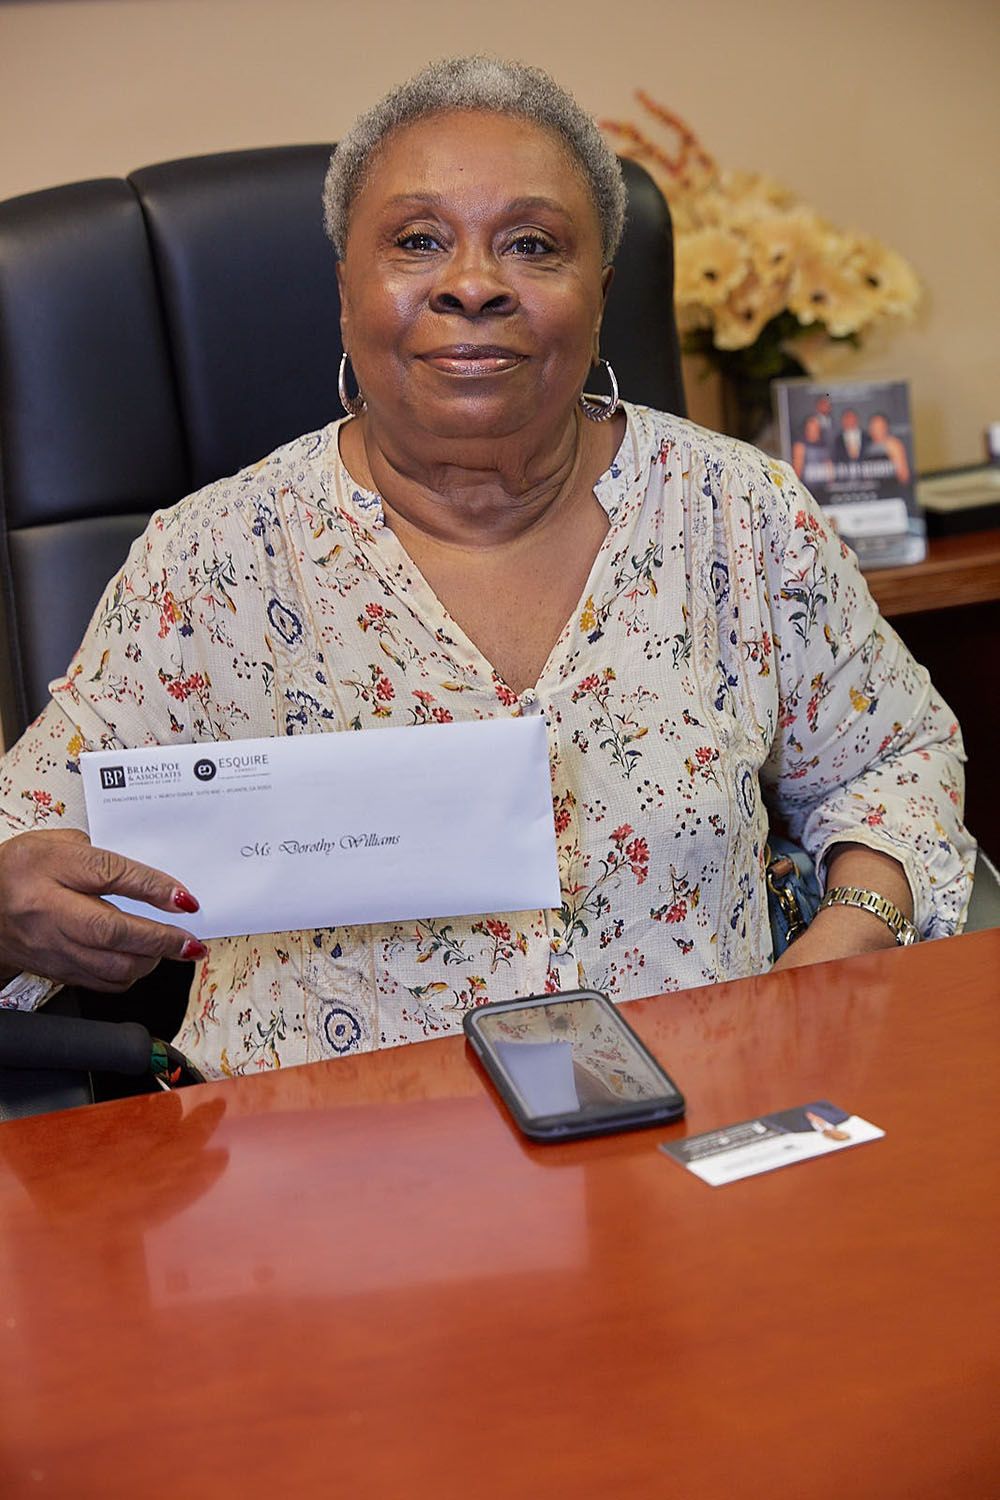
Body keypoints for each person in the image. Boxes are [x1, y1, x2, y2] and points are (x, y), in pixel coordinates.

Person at [0, 58, 975, 1078]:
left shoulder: (742, 516)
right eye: (418, 241)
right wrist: (18, 906)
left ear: (597, 295)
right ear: (346, 292)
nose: (472, 283)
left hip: (703, 1129)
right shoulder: (210, 562)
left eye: (532, 245)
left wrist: (848, 935)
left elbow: (891, 757)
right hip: (313, 1181)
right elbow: (26, 839)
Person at [866, 412, 911, 484]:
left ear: (886, 428)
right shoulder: (868, 446)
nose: (876, 431)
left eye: (879, 427)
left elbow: (904, 475)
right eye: (873, 427)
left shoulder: (893, 445)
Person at [791, 414, 834, 484]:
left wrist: (830, 483)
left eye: (816, 428)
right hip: (806, 487)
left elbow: (830, 469)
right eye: (811, 429)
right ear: (806, 429)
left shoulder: (824, 446)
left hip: (822, 487)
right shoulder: (800, 446)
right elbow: (797, 471)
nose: (814, 432)